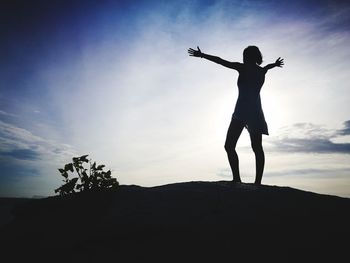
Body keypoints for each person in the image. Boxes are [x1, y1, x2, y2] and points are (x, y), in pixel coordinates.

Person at [188, 46, 284, 185]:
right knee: (255, 148)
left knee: (231, 146)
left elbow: (221, 61)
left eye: (245, 55)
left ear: (249, 57)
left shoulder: (243, 68)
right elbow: (267, 67)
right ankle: (255, 182)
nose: (243, 58)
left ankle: (240, 180)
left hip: (241, 113)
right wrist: (274, 65)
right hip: (254, 114)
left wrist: (202, 55)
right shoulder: (261, 71)